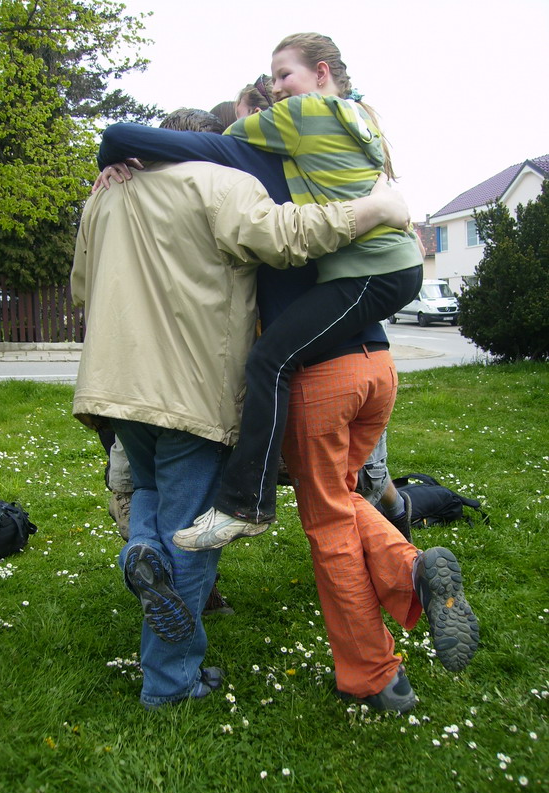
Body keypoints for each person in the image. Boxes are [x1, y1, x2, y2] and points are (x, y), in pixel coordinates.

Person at [94, 69, 477, 710]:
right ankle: (409, 570)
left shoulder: (246, 171)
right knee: (342, 499)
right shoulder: (322, 169)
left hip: (318, 378)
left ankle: (376, 673)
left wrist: (123, 162)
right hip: (375, 364)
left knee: (326, 525)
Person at [172, 33, 424, 551]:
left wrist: (122, 146)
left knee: (270, 361)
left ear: (322, 72)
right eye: (272, 82)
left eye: (284, 74)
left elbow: (226, 139)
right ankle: (406, 546)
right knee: (353, 484)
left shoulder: (304, 114)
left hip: (371, 281)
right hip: (380, 293)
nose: (278, 88)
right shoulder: (353, 119)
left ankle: (246, 504)